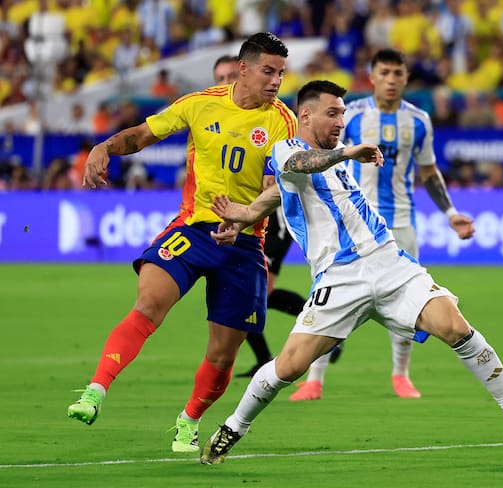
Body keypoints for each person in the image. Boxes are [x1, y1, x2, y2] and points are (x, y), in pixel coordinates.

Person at [200, 80, 503, 465]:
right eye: (333, 112)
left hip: (390, 262)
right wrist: (347, 152)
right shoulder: (290, 148)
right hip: (340, 278)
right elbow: (296, 167)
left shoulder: (332, 158)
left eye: (343, 112)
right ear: (305, 115)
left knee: (457, 327)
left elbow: (283, 192)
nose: (342, 120)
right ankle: (233, 427)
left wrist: (245, 214)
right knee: (289, 366)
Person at [66, 32, 298, 454]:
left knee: (224, 356)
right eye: (269, 71)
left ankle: (189, 420)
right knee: (148, 304)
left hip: (244, 244)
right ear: (243, 69)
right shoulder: (200, 103)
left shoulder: (282, 120)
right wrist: (104, 147)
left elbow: (272, 189)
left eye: (281, 73)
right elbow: (140, 136)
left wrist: (245, 220)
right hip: (193, 229)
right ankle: (95, 390)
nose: (276, 81)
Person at [289, 48, 467, 401]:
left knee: (411, 300)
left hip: (400, 222)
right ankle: (314, 379)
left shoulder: (419, 121)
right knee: (326, 300)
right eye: (384, 72)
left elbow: (429, 172)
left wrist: (450, 213)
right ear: (372, 76)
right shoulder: (349, 115)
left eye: (397, 73)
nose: (390, 79)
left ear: (405, 78)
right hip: (351, 224)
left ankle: (401, 375)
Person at [210, 51, 308, 378]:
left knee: (258, 291)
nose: (225, 83)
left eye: (229, 76)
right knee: (248, 292)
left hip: (270, 219)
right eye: (220, 78)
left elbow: (273, 173)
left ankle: (320, 322)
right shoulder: (215, 118)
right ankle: (267, 356)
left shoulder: (272, 118)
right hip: (237, 218)